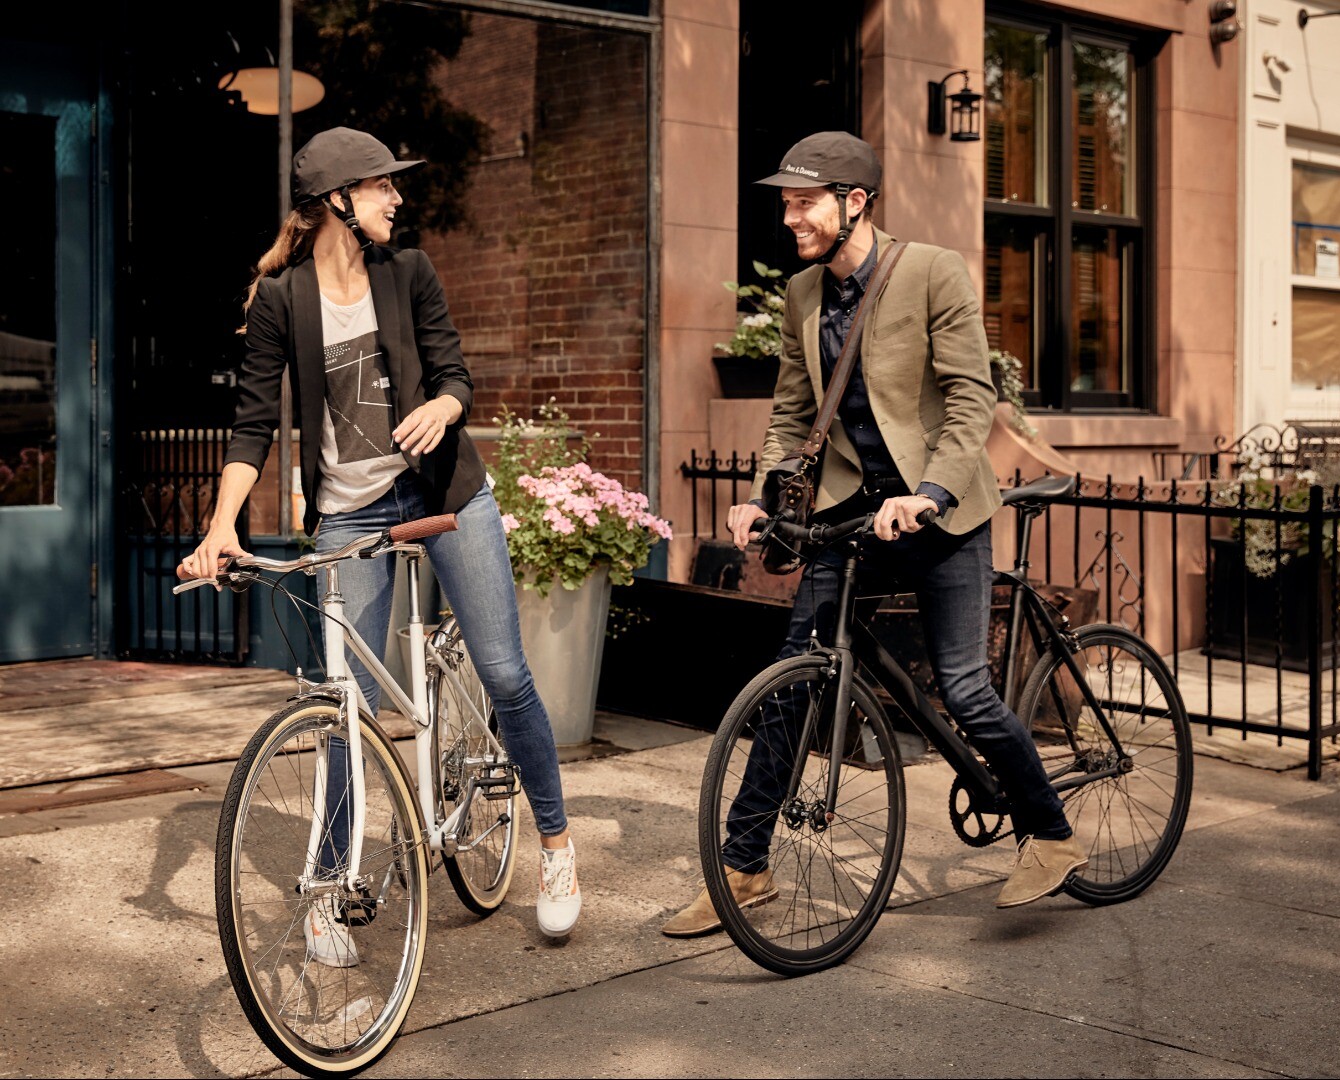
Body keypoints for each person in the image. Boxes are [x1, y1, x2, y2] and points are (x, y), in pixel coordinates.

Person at [661, 131, 1086, 937]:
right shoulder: (802, 294)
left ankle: (1051, 833)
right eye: (787, 204)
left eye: (805, 203)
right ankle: (745, 868)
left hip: (939, 515)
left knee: (965, 689)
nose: (791, 218)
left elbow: (970, 399)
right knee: (791, 685)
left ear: (855, 202)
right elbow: (791, 414)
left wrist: (929, 493)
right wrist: (759, 497)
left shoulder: (932, 272)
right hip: (850, 516)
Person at [181, 127, 582, 957]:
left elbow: (454, 373)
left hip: (445, 495)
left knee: (505, 672)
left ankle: (555, 847)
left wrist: (445, 406)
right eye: (380, 186)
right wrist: (222, 525)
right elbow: (253, 424)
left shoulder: (409, 272)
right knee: (345, 706)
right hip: (352, 513)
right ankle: (330, 886)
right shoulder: (282, 299)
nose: (396, 197)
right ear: (338, 201)